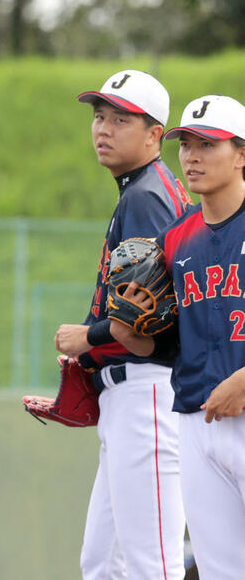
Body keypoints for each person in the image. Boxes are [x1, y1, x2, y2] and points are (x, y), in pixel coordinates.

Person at [53, 70, 189, 579]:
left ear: (155, 134)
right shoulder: (148, 191)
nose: (103, 128)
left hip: (148, 392)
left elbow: (150, 314)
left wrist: (85, 338)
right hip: (129, 394)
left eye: (121, 119)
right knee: (104, 563)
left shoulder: (145, 197)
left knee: (151, 563)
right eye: (99, 116)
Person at [111, 95, 245, 580]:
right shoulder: (175, 237)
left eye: (208, 144)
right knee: (218, 569)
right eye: (186, 144)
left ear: (242, 154)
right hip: (194, 419)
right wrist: (129, 330)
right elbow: (165, 345)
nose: (192, 156)